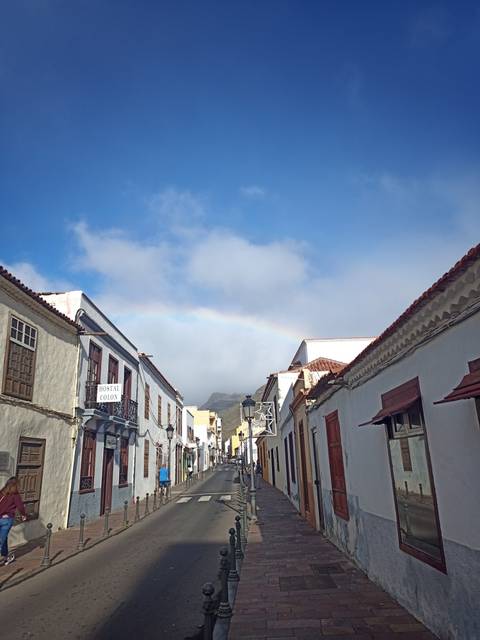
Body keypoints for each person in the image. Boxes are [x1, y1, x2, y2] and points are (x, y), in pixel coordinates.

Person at [0, 477, 27, 566]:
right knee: (1, 540)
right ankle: (4, 556)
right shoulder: (15, 495)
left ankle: (5, 556)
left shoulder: (1, 492)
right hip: (7, 520)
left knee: (3, 538)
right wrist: (24, 515)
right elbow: (20, 506)